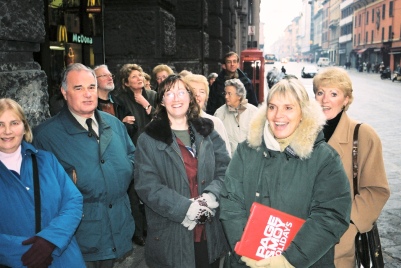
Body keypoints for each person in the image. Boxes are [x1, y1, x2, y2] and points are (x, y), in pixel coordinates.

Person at [220, 77, 352, 267]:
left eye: (288, 108)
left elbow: (330, 215)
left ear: (303, 113)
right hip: (247, 262)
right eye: (272, 107)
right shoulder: (246, 150)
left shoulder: (324, 159)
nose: (278, 115)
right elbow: (230, 201)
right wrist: (244, 248)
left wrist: (289, 260)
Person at [32, 63, 135, 268]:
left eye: (91, 87)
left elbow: (131, 156)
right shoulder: (45, 136)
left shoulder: (114, 124)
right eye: (78, 88)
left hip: (118, 228)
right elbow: (40, 194)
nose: (87, 94)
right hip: (78, 241)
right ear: (64, 92)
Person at [134, 75, 230, 267]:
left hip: (208, 233)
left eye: (181, 92)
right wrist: (185, 208)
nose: (176, 98)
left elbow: (226, 169)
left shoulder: (207, 131)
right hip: (171, 235)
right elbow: (147, 187)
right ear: (161, 101)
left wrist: (210, 197)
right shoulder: (149, 139)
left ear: (190, 97)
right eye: (169, 93)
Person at [313, 67, 390, 267]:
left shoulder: (363, 135)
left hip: (339, 241)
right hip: (303, 237)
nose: (325, 100)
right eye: (320, 92)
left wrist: (349, 224)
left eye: (334, 94)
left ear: (346, 99)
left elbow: (376, 189)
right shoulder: (305, 133)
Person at [0, 98, 85, 267]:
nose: (7, 131)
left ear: (24, 127)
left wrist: (50, 241)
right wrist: (26, 253)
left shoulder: (46, 160)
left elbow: (73, 201)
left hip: (65, 257)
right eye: (0, 124)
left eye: (14, 123)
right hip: (20, 262)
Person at [118, 63, 156, 246]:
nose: (139, 78)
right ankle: (138, 231)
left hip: (152, 151)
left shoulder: (153, 96)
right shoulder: (121, 99)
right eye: (134, 77)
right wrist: (122, 121)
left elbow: (161, 119)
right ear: (126, 82)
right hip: (132, 151)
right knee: (133, 193)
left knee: (151, 189)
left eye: (140, 75)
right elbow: (116, 127)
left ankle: (151, 228)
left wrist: (145, 104)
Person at [183, 73, 232, 156]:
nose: (197, 95)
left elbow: (225, 156)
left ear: (206, 97)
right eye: (193, 91)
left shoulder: (215, 123)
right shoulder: (177, 122)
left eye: (202, 92)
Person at [214, 79, 258, 155]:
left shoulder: (254, 112)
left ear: (239, 95)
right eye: (225, 93)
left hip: (250, 159)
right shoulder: (219, 113)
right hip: (228, 161)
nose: (226, 96)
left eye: (229, 94)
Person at [94, 64, 137, 141]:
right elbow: (97, 131)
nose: (110, 78)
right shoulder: (91, 104)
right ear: (94, 80)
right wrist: (121, 123)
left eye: (110, 75)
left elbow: (133, 127)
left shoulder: (119, 102)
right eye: (104, 75)